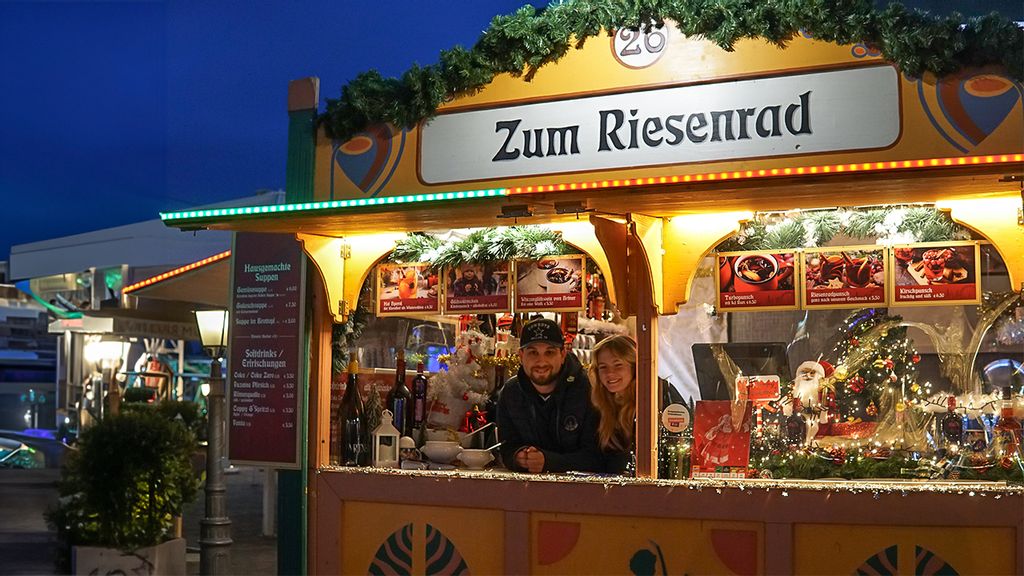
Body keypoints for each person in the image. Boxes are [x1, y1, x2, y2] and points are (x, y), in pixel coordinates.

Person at [496, 318, 603, 473]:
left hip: (580, 487)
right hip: (525, 487)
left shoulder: (589, 390)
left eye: (549, 352)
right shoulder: (510, 393)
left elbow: (598, 457)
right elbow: (507, 448)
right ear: (521, 355)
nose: (541, 361)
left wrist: (550, 462)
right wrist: (518, 457)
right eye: (533, 352)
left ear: (563, 354)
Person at [590, 334, 685, 474]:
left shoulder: (656, 394)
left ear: (634, 366)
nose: (610, 373)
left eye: (618, 365)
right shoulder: (600, 402)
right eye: (603, 367)